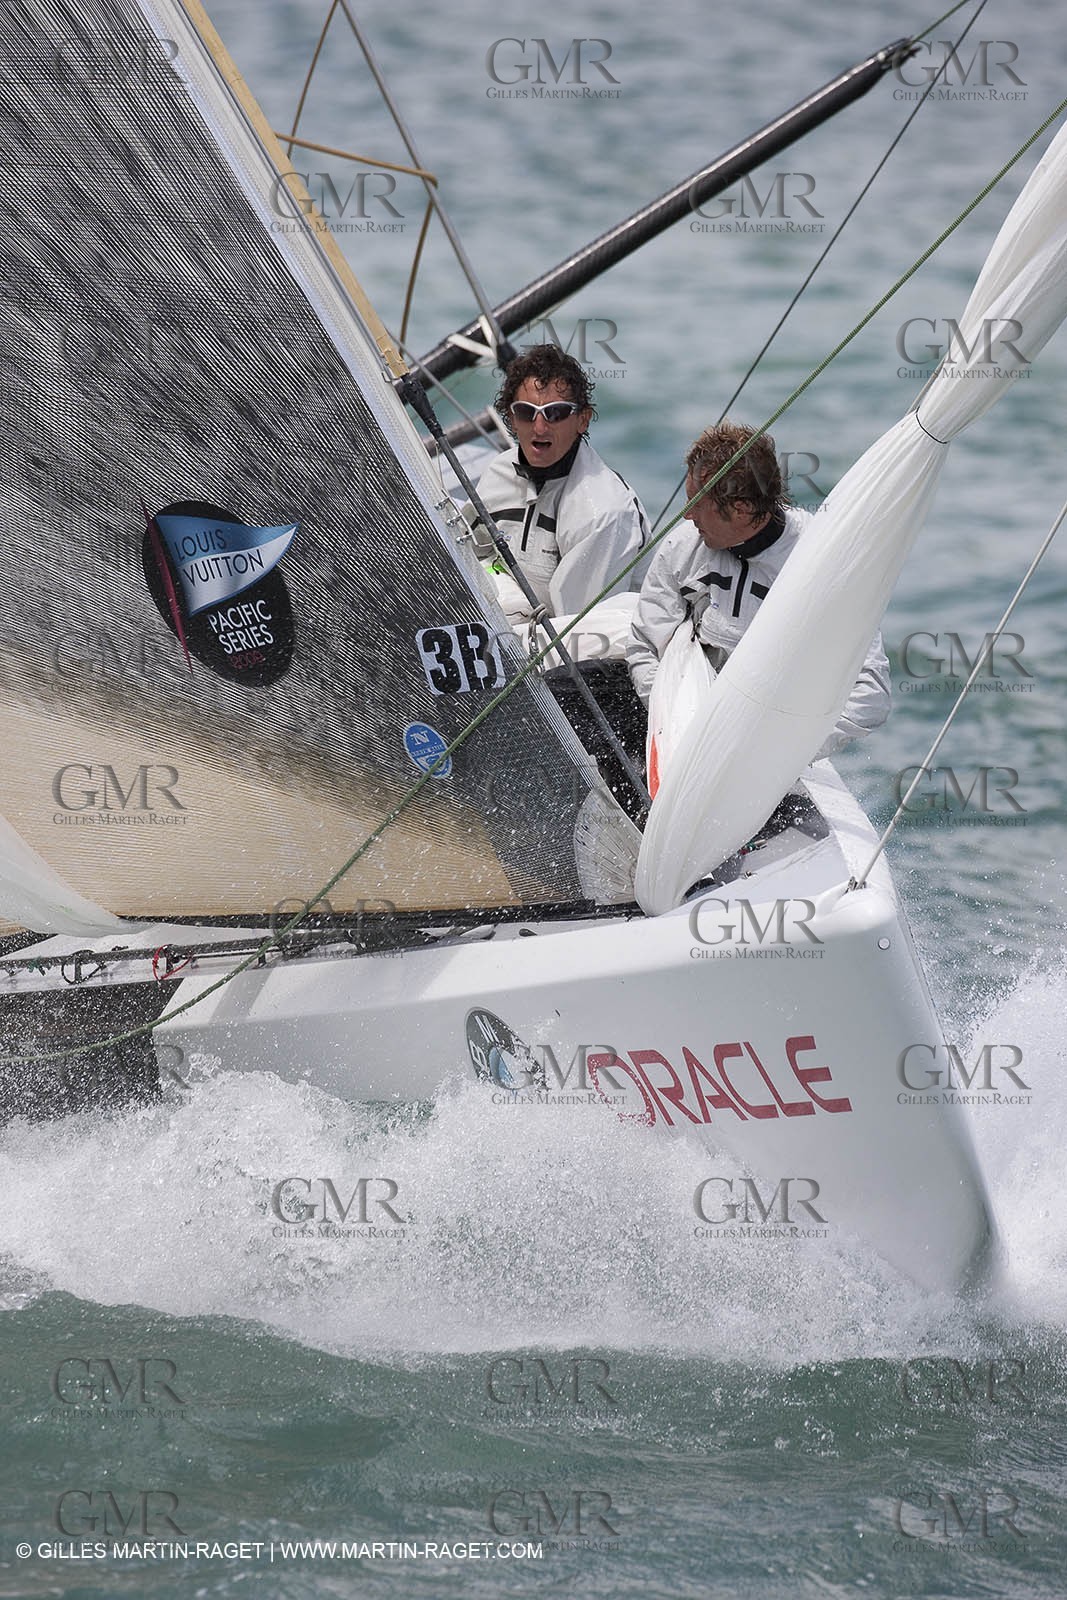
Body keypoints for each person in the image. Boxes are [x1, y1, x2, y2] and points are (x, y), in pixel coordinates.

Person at [627, 421, 890, 754]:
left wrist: (776, 752)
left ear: (742, 509)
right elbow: (645, 645)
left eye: (697, 504)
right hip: (677, 717)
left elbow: (871, 693)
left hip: (765, 743)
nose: (687, 515)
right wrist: (675, 724)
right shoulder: (682, 548)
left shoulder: (824, 565)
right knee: (567, 691)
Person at [474, 345, 650, 621]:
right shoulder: (497, 473)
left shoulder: (603, 514)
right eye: (525, 411)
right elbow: (474, 555)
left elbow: (578, 633)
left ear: (583, 419)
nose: (540, 427)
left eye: (555, 413)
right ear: (510, 418)